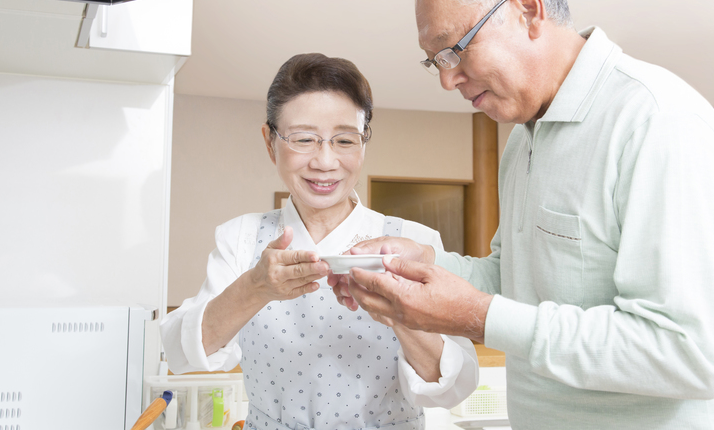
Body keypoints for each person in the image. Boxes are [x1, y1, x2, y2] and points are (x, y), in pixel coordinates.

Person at [330, 0, 714, 429]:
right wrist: (426, 264)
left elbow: (691, 354)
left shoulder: (657, 121)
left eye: (455, 49)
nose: (448, 79)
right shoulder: (523, 139)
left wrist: (478, 317)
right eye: (435, 62)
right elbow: (516, 281)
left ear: (527, 10)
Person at [160, 53, 478, 430]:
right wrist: (255, 287)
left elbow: (453, 388)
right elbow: (179, 353)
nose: (325, 162)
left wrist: (400, 314)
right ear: (270, 142)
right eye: (304, 139)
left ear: (364, 142)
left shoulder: (413, 242)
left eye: (344, 140)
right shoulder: (241, 238)